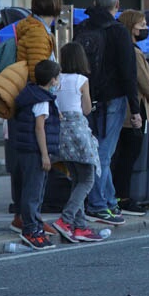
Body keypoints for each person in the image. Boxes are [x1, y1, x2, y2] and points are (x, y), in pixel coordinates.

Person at [76, 0, 140, 226]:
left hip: (87, 95)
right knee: (103, 153)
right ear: (117, 4)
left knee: (98, 150)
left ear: (94, 1)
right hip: (113, 97)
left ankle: (109, 200)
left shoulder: (81, 28)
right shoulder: (118, 32)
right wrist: (135, 110)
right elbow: (128, 73)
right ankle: (97, 204)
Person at [7, 0, 62, 235]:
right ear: (55, 4)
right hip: (35, 104)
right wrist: (48, 97)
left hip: (24, 100)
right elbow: (38, 70)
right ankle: (31, 221)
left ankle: (24, 216)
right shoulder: (39, 33)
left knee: (23, 165)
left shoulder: (29, 27)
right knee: (34, 168)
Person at [52, 43, 104, 243]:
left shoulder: (58, 80)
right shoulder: (82, 80)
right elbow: (87, 108)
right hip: (78, 132)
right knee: (88, 179)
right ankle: (66, 220)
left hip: (61, 133)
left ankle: (80, 227)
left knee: (76, 179)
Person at [12, 59, 62, 250]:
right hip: (35, 150)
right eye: (57, 79)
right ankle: (31, 229)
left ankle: (34, 224)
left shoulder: (31, 94)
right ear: (52, 80)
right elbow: (39, 127)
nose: (58, 83)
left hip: (25, 149)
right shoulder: (42, 100)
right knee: (34, 191)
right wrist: (45, 155)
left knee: (30, 190)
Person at [112, 10, 149, 216]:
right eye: (142, 25)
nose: (145, 28)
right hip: (135, 109)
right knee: (129, 155)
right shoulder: (134, 52)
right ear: (131, 27)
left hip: (124, 110)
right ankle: (123, 198)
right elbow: (144, 82)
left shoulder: (122, 49)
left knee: (123, 155)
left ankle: (119, 196)